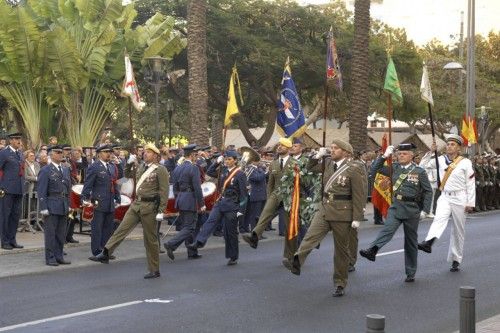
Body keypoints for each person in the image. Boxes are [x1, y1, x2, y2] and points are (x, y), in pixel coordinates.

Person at [288, 140, 367, 297]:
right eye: (331, 148)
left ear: (346, 152)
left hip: (343, 212)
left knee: (341, 251)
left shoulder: (355, 168)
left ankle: (340, 282)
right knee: (311, 236)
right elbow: (309, 168)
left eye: (336, 148)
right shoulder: (327, 164)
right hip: (324, 208)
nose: (332, 150)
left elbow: (360, 194)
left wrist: (358, 216)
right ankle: (297, 260)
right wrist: (317, 156)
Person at [92, 143, 169, 279]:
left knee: (150, 240)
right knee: (121, 229)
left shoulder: (160, 170)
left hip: (150, 207)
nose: (145, 154)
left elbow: (164, 192)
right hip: (136, 204)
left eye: (149, 152)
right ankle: (106, 252)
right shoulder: (141, 166)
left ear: (156, 156)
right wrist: (128, 163)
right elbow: (126, 176)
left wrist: (161, 210)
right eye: (145, 152)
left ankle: (154, 269)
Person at [359, 143, 432, 282]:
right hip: (396, 206)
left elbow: (428, 191)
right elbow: (374, 171)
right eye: (399, 154)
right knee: (387, 230)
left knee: (410, 242)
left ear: (411, 156)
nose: (401, 156)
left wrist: (425, 210)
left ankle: (411, 272)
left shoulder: (419, 171)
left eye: (404, 154)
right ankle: (373, 250)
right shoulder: (394, 168)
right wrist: (384, 156)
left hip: (412, 209)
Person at [242, 137, 306, 268]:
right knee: (265, 213)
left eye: (282, 146)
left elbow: (302, 183)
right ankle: (255, 236)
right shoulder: (274, 164)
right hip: (276, 194)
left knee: (290, 229)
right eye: (279, 146)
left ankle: (290, 256)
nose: (279, 147)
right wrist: (270, 196)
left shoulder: (296, 163)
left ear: (288, 148)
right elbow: (270, 183)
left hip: (291, 197)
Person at [417, 135, 475, 272]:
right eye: (448, 144)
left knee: (458, 230)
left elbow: (470, 183)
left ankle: (456, 259)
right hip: (444, 196)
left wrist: (470, 202)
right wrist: (431, 152)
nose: (449, 146)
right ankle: (429, 242)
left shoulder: (465, 162)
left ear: (459, 148)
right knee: (439, 219)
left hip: (460, 197)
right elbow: (421, 166)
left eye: (453, 144)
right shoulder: (440, 159)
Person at [187, 150, 247, 265]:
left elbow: (244, 196)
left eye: (229, 159)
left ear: (235, 160)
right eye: (226, 159)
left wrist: (240, 211)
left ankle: (233, 256)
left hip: (232, 205)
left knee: (230, 233)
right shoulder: (222, 170)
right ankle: (199, 242)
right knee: (210, 221)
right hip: (220, 202)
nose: (227, 161)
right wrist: (216, 163)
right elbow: (209, 172)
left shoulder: (240, 174)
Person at [163, 144, 205, 260]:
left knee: (187, 226)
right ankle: (171, 244)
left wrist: (180, 197)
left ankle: (191, 252)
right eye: (195, 155)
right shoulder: (193, 168)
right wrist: (202, 204)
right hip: (190, 199)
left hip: (181, 199)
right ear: (191, 155)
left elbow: (175, 186)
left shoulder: (178, 168)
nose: (196, 157)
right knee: (190, 227)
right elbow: (197, 187)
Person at [82, 144, 121, 259]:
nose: (108, 154)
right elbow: (88, 184)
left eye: (109, 152)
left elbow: (115, 183)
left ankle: (105, 251)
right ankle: (96, 252)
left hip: (110, 201)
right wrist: (84, 198)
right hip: (98, 201)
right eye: (105, 152)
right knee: (97, 228)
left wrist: (117, 197)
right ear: (99, 154)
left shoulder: (112, 167)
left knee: (108, 228)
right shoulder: (95, 167)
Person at [38, 145, 72, 266]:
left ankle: (59, 255)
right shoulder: (45, 170)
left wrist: (69, 204)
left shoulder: (65, 169)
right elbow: (41, 190)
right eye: (57, 152)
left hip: (63, 204)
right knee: (51, 234)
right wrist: (43, 207)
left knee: (61, 234)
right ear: (50, 155)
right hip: (52, 204)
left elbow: (68, 189)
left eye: (61, 152)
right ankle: (50, 257)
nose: (60, 154)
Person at [0, 132, 25, 250]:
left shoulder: (20, 154)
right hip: (7, 189)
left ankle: (12, 240)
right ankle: (4, 241)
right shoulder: (4, 153)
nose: (19, 141)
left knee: (15, 216)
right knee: (5, 216)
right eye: (16, 139)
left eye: (19, 139)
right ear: (10, 141)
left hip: (19, 189)